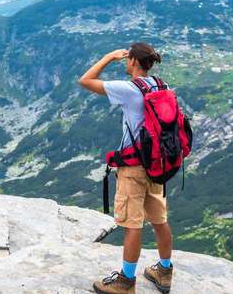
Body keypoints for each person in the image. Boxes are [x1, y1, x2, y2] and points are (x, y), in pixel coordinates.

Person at [79, 42, 174, 294]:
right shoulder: (160, 85)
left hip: (133, 168)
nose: (124, 62)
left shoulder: (129, 89)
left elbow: (86, 80)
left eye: (126, 58)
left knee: (132, 224)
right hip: (157, 164)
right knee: (159, 220)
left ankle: (126, 281)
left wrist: (109, 56)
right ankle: (164, 271)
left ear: (132, 61)